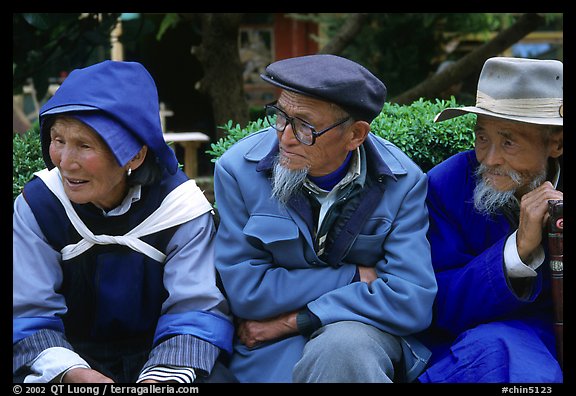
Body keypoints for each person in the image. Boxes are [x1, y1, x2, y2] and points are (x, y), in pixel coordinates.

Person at [213, 54, 437, 383]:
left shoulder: (403, 182)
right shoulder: (236, 170)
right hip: (267, 346)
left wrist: (297, 319)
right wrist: (351, 277)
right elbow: (247, 292)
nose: (285, 137)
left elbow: (410, 301)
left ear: (356, 135)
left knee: (343, 350)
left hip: (360, 333)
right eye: (280, 116)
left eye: (305, 125)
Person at [13, 60, 236, 383]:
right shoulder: (41, 205)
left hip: (163, 355)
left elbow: (195, 310)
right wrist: (76, 374)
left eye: (84, 145)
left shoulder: (179, 210)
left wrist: (158, 380)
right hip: (65, 358)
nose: (65, 162)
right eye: (58, 140)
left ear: (134, 155)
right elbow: (29, 312)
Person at [417, 57, 563, 383]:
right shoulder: (446, 185)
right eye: (482, 137)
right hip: (486, 344)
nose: (490, 159)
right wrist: (517, 251)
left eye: (508, 141)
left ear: (556, 143)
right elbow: (437, 303)